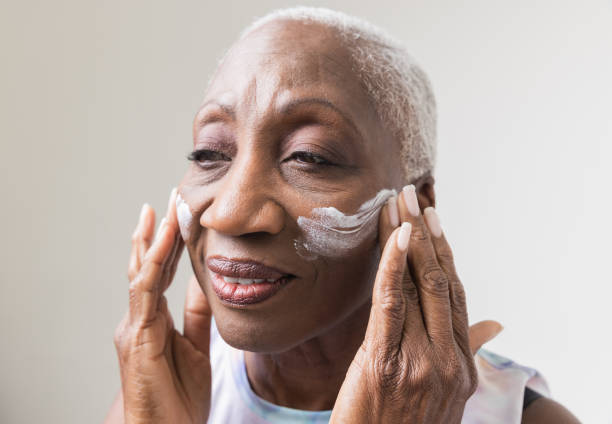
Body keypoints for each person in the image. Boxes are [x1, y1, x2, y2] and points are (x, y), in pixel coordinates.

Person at [106, 7, 580, 423]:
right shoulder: (164, 392)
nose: (229, 214)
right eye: (210, 153)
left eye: (308, 156)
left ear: (418, 203)